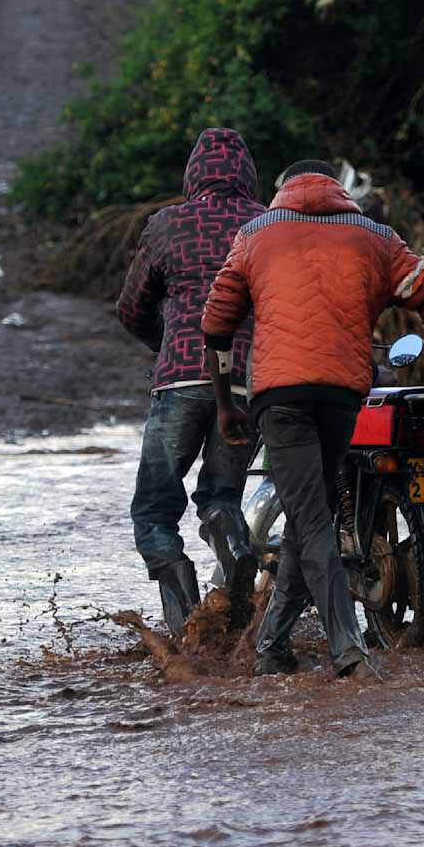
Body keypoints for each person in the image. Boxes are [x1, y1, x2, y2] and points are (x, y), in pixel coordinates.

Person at [203, 159, 424, 679]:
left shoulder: (255, 235)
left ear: (280, 190)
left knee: (313, 519)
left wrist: (223, 403)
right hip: (343, 397)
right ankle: (272, 647)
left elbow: (216, 325)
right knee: (311, 516)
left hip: (279, 399)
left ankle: (348, 650)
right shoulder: (376, 236)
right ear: (339, 189)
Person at [117, 128, 267, 638]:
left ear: (192, 175)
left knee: (155, 510)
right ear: (248, 175)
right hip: (250, 382)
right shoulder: (267, 225)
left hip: (179, 379)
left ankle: (184, 613)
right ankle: (236, 547)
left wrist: (169, 347)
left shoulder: (166, 225)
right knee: (221, 496)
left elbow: (131, 307)